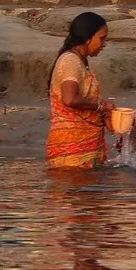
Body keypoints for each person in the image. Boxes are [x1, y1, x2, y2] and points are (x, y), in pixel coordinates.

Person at [47, 11, 113, 170]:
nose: (103, 44)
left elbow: (84, 102)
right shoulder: (70, 61)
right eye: (101, 38)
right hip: (72, 150)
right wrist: (100, 105)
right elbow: (70, 99)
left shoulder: (79, 61)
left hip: (84, 146)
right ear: (87, 38)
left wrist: (106, 115)